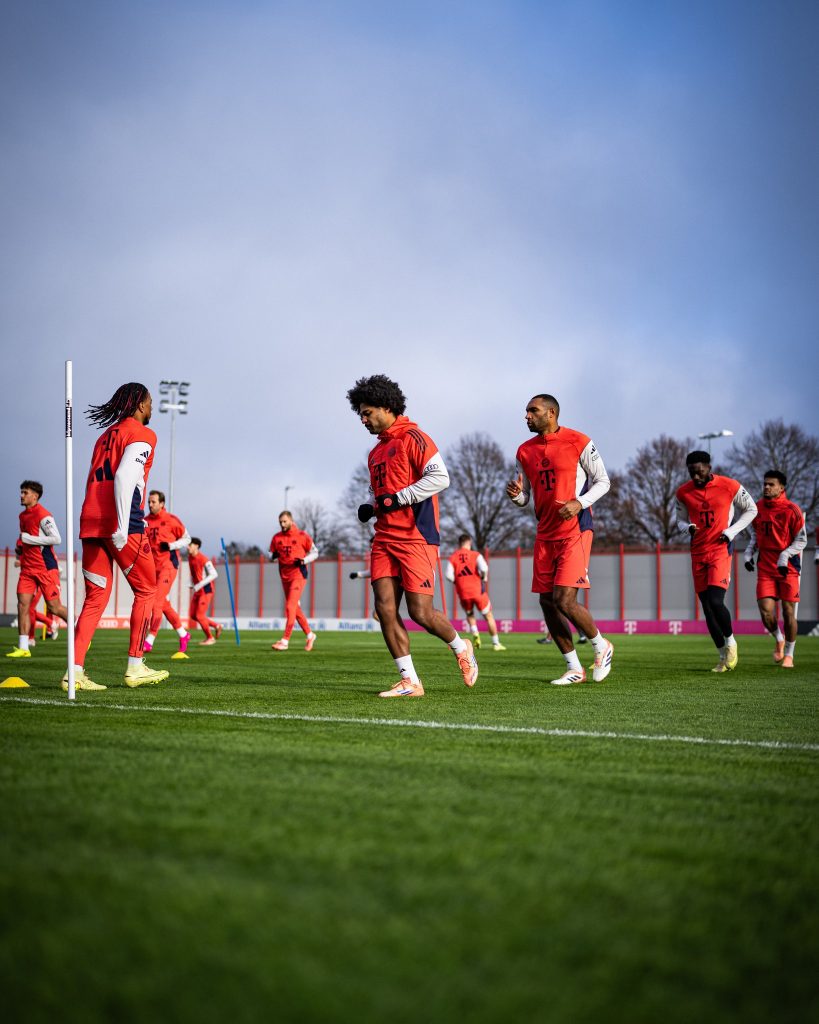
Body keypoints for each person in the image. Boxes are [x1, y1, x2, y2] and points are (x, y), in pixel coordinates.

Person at [346, 374, 478, 698]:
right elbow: (381, 492)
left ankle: (462, 648)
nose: (363, 420)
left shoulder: (414, 437)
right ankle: (410, 680)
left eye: (367, 412)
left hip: (416, 537)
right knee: (385, 610)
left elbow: (440, 477)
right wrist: (370, 506)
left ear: (387, 406)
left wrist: (398, 498)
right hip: (384, 539)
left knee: (420, 612)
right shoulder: (375, 454)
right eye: (360, 414)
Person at [506, 394, 612, 685]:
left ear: (551, 413)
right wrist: (517, 496)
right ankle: (574, 668)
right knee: (547, 602)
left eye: (533, 410)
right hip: (545, 532)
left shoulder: (579, 441)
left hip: (575, 528)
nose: (527, 416)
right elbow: (525, 496)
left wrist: (579, 503)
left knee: (564, 599)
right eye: (526, 411)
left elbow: (604, 481)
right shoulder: (524, 451)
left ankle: (601, 645)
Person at [70, 383, 169, 690]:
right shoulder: (143, 434)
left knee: (95, 598)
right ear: (139, 405)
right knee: (147, 589)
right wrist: (123, 528)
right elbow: (126, 476)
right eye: (150, 403)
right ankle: (136, 666)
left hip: (90, 521)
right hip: (122, 524)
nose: (152, 409)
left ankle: (73, 671)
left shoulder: (104, 437)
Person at [675, 450, 757, 673]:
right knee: (707, 608)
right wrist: (687, 528)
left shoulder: (729, 486)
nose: (696, 477)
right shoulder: (683, 492)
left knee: (716, 601)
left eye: (700, 472)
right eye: (692, 473)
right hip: (698, 553)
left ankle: (731, 642)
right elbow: (679, 521)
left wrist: (732, 532)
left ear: (709, 467)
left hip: (720, 550)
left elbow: (752, 509)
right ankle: (722, 655)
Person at [743, 470, 806, 669]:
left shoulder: (792, 509)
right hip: (765, 567)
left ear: (781, 488)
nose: (766, 487)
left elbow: (802, 540)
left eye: (771, 484)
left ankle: (789, 654)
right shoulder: (757, 508)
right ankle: (778, 638)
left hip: (788, 568)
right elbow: (755, 534)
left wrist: (785, 555)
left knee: (788, 613)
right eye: (765, 484)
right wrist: (748, 553)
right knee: (766, 612)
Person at [7, 481, 70, 659]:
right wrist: (21, 553)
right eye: (21, 492)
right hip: (27, 570)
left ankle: (78, 628)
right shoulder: (22, 516)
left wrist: (28, 539)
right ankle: (23, 647)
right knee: (23, 606)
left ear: (35, 496)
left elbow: (56, 539)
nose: (21, 495)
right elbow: (24, 543)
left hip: (45, 568)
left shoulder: (44, 515)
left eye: (25, 492)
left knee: (55, 607)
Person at [143, 490, 191, 656]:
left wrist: (171, 546)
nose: (150, 505)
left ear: (162, 504)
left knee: (156, 602)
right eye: (149, 502)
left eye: (153, 502)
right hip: (151, 568)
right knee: (164, 605)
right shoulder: (145, 521)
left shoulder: (171, 520)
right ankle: (184, 635)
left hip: (168, 566)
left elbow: (187, 539)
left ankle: (149, 640)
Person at [445, 534, 506, 650]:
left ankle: (475, 633)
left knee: (470, 614)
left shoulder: (453, 557)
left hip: (463, 592)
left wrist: (456, 581)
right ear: (469, 542)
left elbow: (448, 575)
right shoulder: (475, 555)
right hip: (477, 590)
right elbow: (484, 568)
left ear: (459, 544)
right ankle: (496, 643)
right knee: (488, 615)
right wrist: (483, 577)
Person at [268, 511, 318, 651]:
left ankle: (285, 640)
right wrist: (272, 556)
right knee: (295, 609)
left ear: (291, 520)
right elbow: (269, 554)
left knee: (290, 606)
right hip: (284, 576)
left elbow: (315, 552)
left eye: (284, 521)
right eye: (280, 522)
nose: (282, 524)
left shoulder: (302, 536)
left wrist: (304, 560)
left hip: (298, 575)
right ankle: (310, 635)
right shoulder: (276, 538)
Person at [187, 538, 222, 645]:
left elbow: (214, 574)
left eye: (190, 545)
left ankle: (210, 638)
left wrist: (199, 584)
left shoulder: (204, 559)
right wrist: (191, 582)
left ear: (196, 546)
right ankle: (216, 626)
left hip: (206, 590)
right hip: (198, 589)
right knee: (193, 615)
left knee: (199, 616)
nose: (187, 547)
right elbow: (194, 573)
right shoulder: (190, 558)